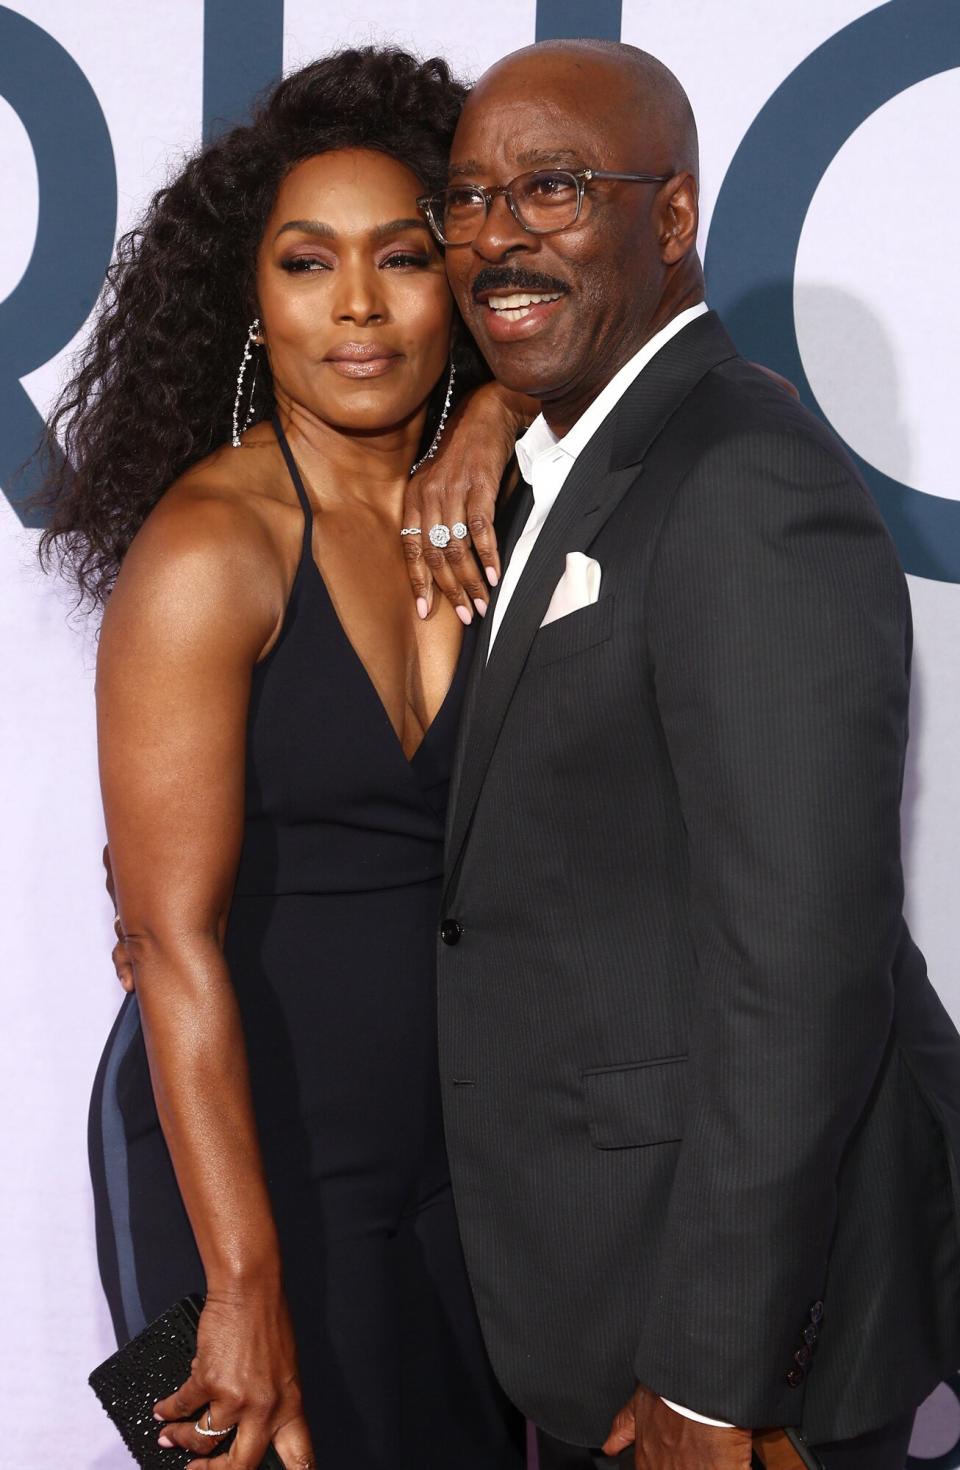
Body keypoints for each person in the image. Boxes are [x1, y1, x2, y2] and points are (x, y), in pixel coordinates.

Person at [415, 39, 960, 1470]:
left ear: (670, 220)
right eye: (467, 200)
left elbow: (801, 970)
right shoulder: (590, 448)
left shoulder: (745, 478)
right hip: (597, 1295)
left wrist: (716, 1378)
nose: (496, 237)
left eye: (552, 187)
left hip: (723, 1345)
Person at [39, 48, 528, 1470]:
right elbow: (166, 939)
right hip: (224, 1167)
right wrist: (239, 1289)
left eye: (407, 260)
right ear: (251, 301)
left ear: (470, 289)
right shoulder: (209, 548)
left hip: (454, 1170)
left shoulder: (513, 501)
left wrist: (499, 412)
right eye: (309, 264)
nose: (359, 309)